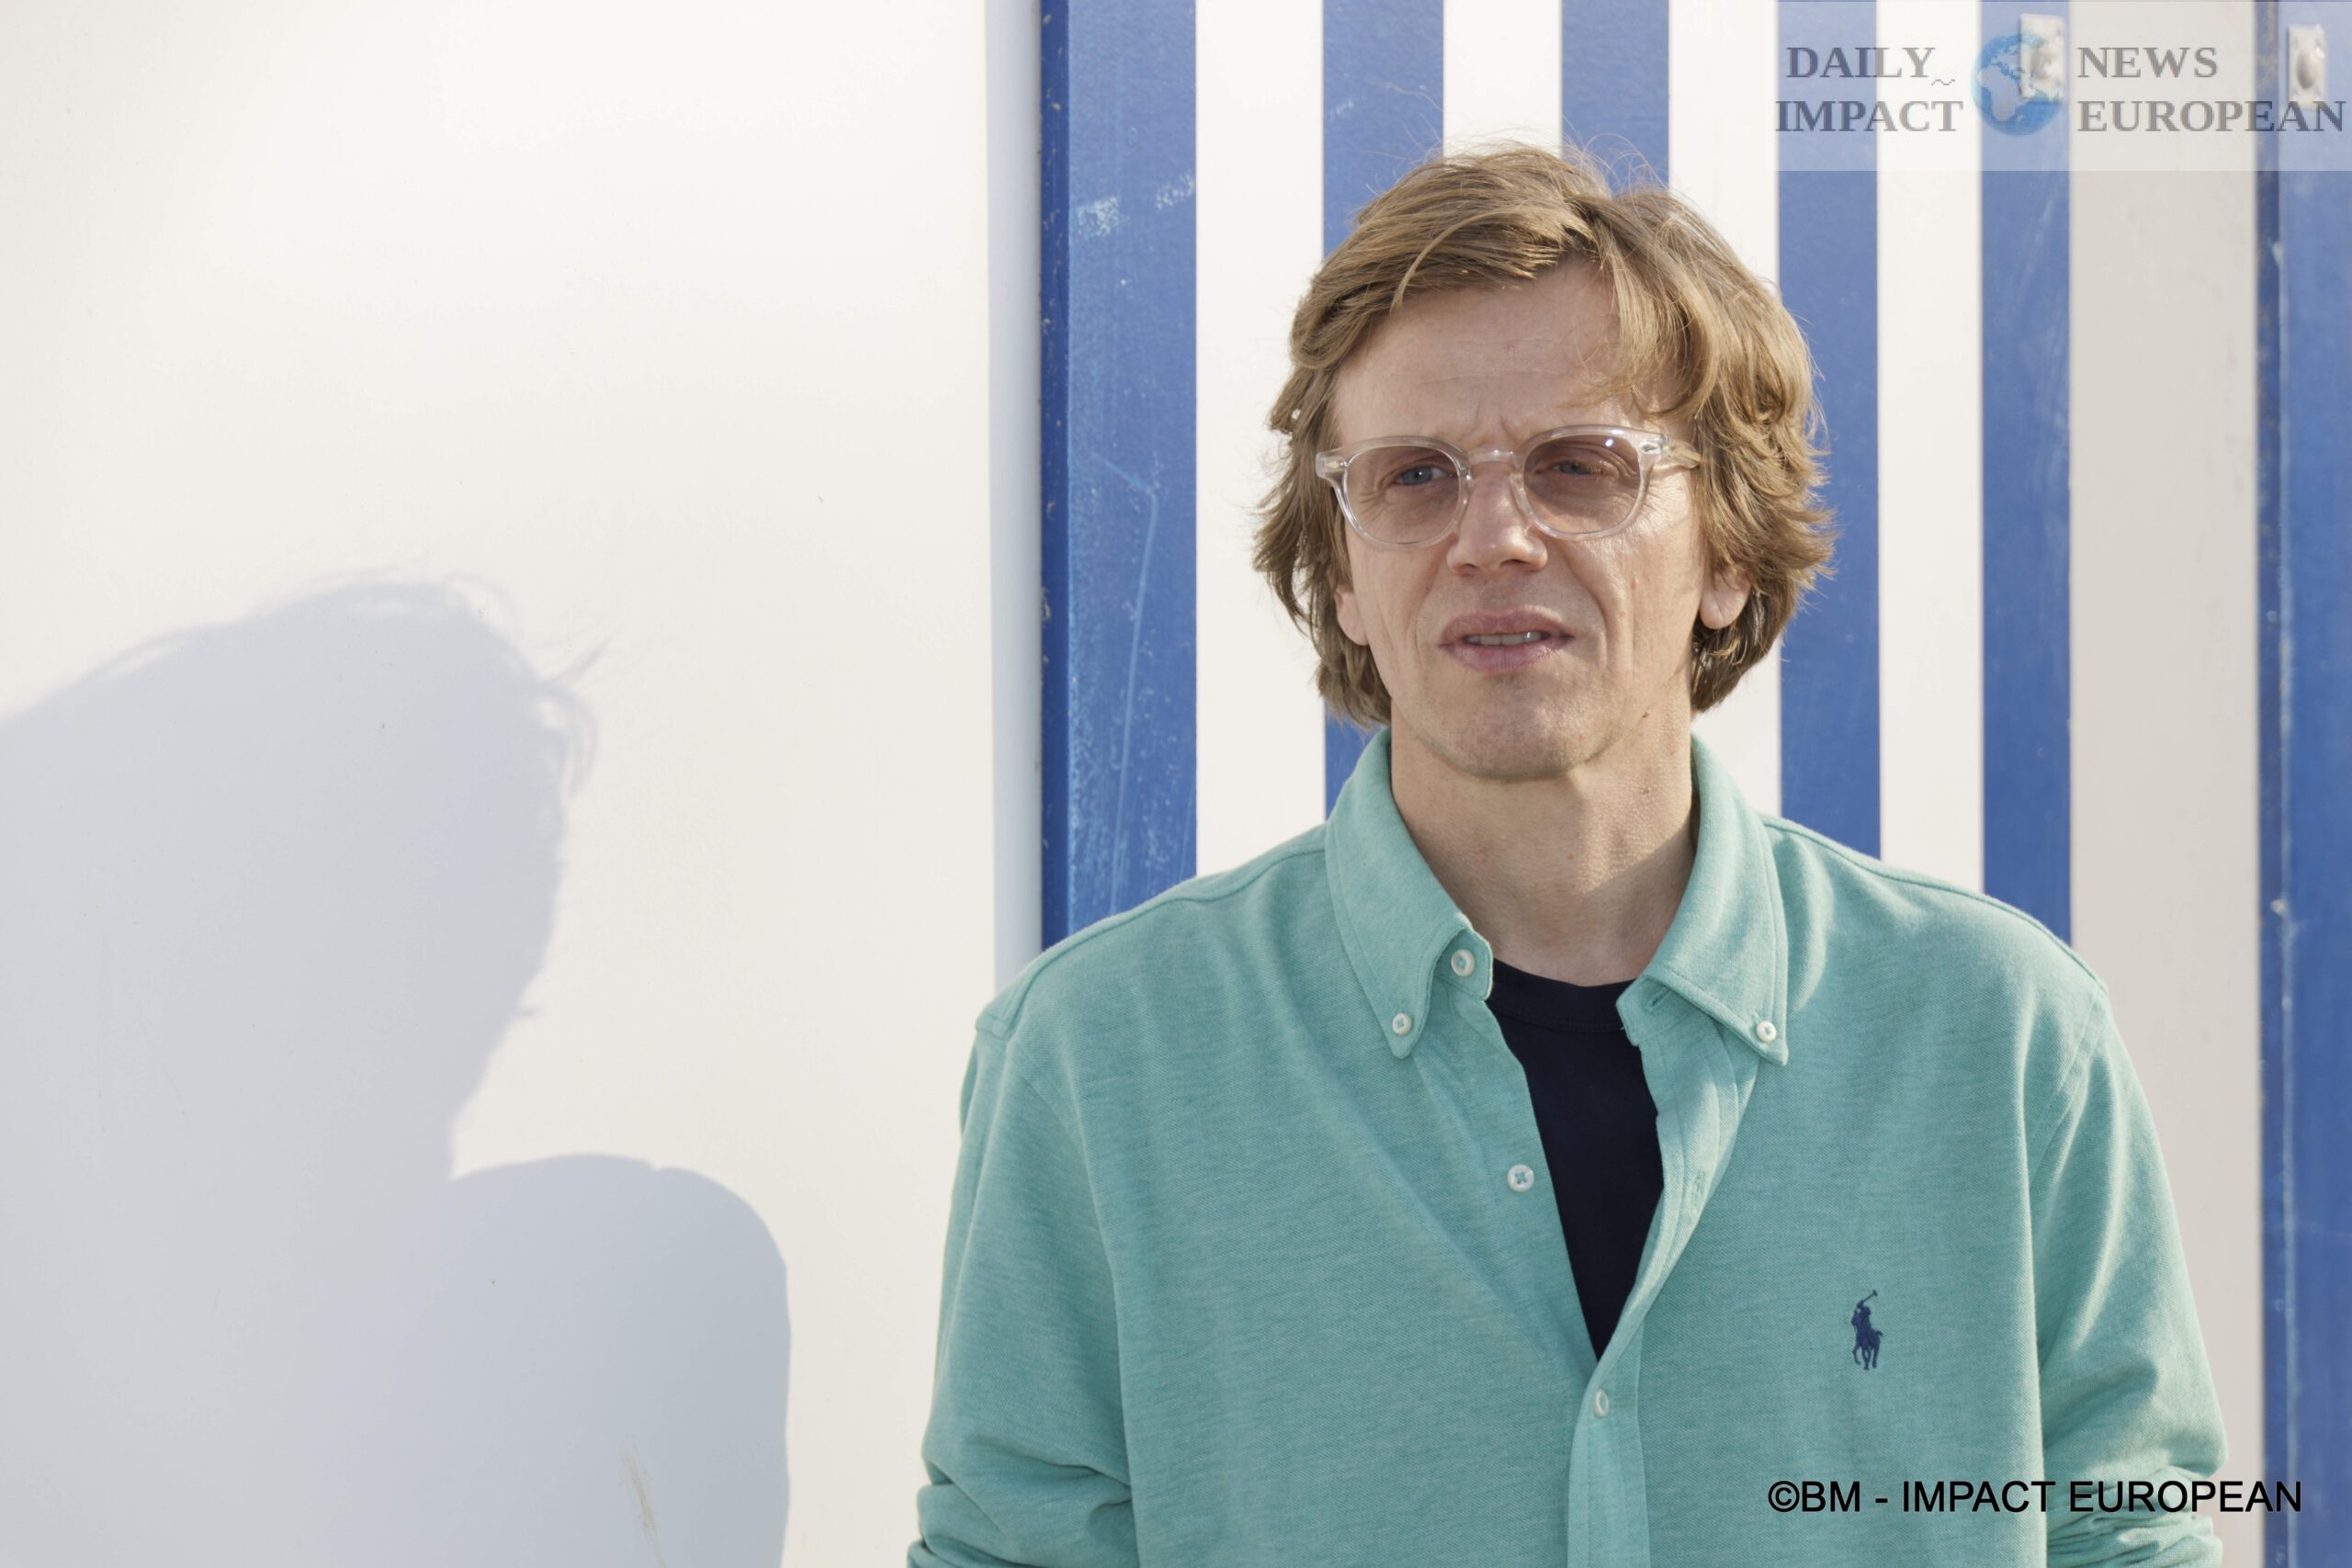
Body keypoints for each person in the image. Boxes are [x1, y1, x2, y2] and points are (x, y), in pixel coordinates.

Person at [908, 142, 2226, 1566]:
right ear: (1341, 574)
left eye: (1579, 467)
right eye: (1414, 476)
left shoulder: (1999, 1033)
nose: (1492, 537)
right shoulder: (1101, 1060)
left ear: (1728, 548)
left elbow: (2132, 1538)